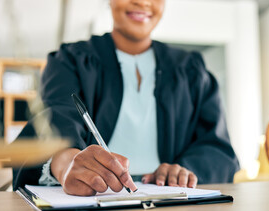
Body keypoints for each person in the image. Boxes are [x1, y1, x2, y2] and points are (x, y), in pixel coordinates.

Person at [13, 0, 240, 196]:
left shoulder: (191, 69)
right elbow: (54, 119)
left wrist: (185, 170)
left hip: (174, 207)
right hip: (92, 207)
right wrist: (67, 162)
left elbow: (217, 148)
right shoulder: (71, 61)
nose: (142, 2)